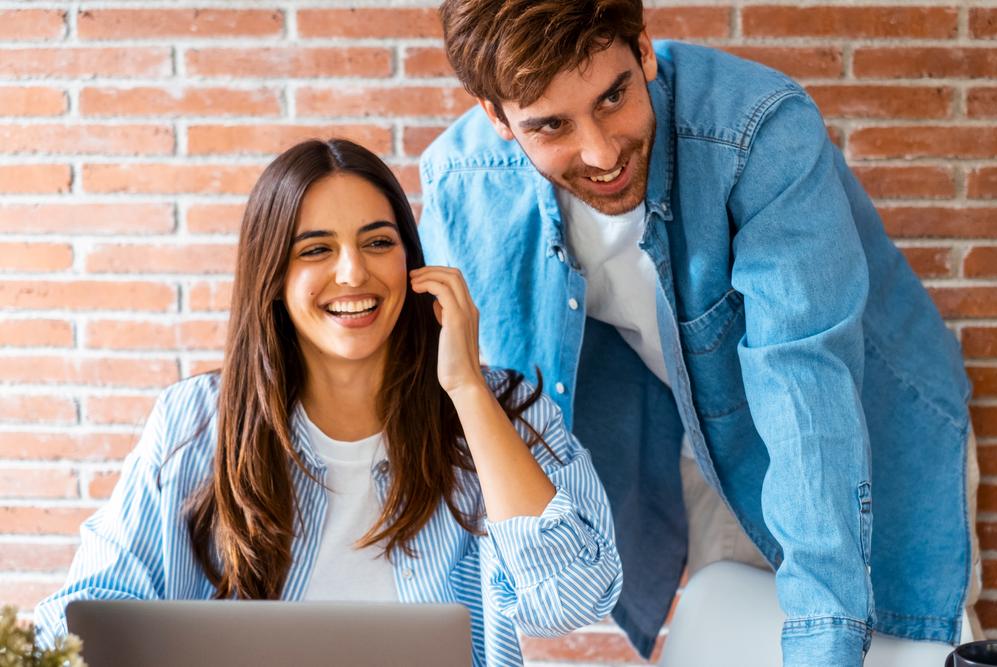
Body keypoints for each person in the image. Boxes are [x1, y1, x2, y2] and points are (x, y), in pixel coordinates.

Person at [417, 1, 980, 665]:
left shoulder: (758, 132)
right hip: (692, 437)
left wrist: (825, 640)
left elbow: (807, 397)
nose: (600, 152)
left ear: (645, 50)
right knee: (735, 630)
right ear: (496, 118)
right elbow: (489, 420)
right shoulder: (465, 185)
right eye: (551, 125)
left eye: (613, 96)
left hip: (865, 423)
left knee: (897, 639)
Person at [34, 138, 623, 667]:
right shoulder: (195, 420)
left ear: (411, 263)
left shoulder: (503, 407)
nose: (353, 272)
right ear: (273, 274)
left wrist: (467, 391)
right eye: (315, 249)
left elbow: (568, 600)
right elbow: (88, 612)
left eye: (377, 242)